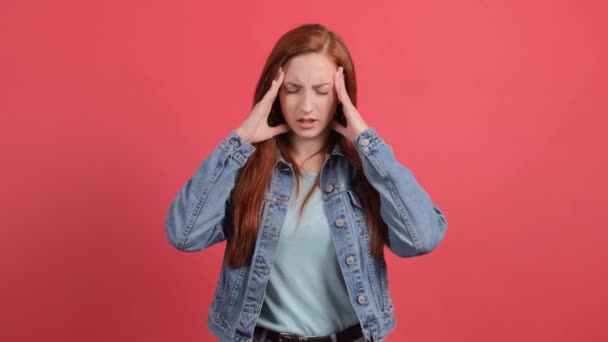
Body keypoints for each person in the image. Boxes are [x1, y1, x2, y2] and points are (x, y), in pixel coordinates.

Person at [165, 23, 448, 342]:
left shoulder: (365, 171)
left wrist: (367, 143)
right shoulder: (247, 169)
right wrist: (239, 141)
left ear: (341, 96)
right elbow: (185, 235)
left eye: (322, 91)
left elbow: (421, 239)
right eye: (293, 89)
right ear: (274, 92)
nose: (307, 106)